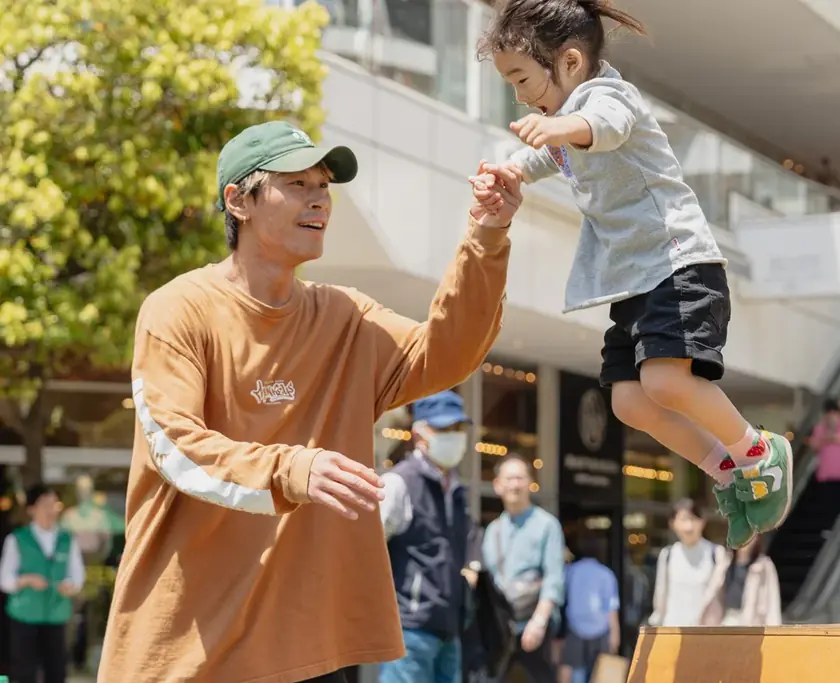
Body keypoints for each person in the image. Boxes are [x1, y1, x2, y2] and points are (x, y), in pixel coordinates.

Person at [97, 120, 522, 682]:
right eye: (297, 183)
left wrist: (487, 233)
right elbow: (175, 448)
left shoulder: (345, 315)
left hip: (314, 650)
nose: (320, 198)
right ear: (237, 201)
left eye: (324, 185)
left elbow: (445, 353)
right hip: (189, 652)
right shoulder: (177, 310)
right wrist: (295, 468)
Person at [472, 0, 793, 550]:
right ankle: (729, 469)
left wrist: (554, 126)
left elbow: (604, 128)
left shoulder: (607, 96)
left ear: (570, 62)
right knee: (629, 402)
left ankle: (761, 452)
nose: (520, 95)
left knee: (666, 382)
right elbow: (556, 157)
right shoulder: (567, 123)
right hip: (636, 283)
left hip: (678, 263)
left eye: (522, 78)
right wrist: (509, 170)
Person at [379, 390, 473, 683]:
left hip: (450, 628)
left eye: (458, 428)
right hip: (409, 629)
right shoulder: (398, 483)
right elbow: (365, 553)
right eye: (445, 428)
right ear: (420, 434)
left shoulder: (456, 489)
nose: (455, 436)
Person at [482, 455, 565, 683]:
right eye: (509, 478)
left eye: (520, 478)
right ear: (498, 485)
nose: (515, 484)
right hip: (501, 631)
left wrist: (539, 622)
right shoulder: (493, 531)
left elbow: (554, 578)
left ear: (530, 483)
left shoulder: (547, 525)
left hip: (534, 628)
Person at [0, 484, 85, 683]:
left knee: (56, 670)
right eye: (45, 504)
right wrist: (26, 580)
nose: (51, 509)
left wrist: (70, 585)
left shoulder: (67, 539)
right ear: (31, 509)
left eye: (54, 504)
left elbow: (77, 575)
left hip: (56, 615)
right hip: (24, 615)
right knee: (24, 671)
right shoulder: (17, 539)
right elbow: (5, 579)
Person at [647, 499, 727, 627]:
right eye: (683, 519)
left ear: (702, 522)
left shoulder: (717, 553)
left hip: (707, 630)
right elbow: (661, 594)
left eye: (693, 519)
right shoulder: (668, 554)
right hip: (673, 629)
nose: (689, 526)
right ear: (672, 524)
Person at [560, 534, 619, 683]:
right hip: (600, 629)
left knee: (575, 673)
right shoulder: (606, 574)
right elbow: (611, 608)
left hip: (575, 627)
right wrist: (615, 636)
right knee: (600, 675)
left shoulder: (571, 571)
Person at [709, 535, 781, 626]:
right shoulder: (725, 562)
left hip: (752, 624)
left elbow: (772, 603)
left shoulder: (764, 566)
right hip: (726, 619)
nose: (744, 541)